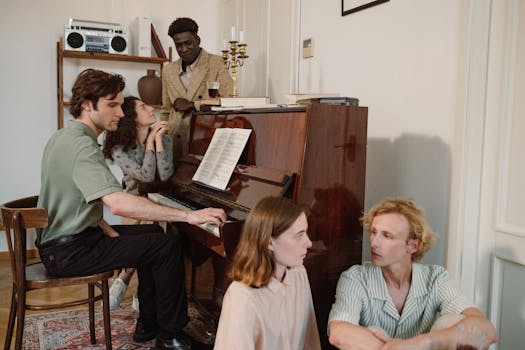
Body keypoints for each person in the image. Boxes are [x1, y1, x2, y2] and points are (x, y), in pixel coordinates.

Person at [37, 69, 226, 350]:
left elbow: (68, 195)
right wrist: (190, 215)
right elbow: (117, 201)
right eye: (112, 104)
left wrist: (102, 225)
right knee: (164, 246)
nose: (120, 112)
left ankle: (148, 326)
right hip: (70, 251)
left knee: (152, 234)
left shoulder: (63, 137)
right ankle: (170, 336)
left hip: (65, 242)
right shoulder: (82, 146)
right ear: (88, 105)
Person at [328, 198, 498, 350]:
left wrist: (425, 343)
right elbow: (338, 332)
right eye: (373, 232)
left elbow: (487, 331)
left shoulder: (435, 278)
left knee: (453, 323)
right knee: (371, 333)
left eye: (387, 235)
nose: (374, 242)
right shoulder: (355, 277)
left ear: (413, 246)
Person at [214, 196, 321, 350]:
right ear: (270, 242)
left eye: (306, 233)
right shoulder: (242, 297)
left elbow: (310, 342)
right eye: (299, 235)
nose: (309, 243)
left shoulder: (299, 273)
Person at [102, 96, 173, 311]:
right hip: (132, 201)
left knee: (152, 228)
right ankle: (142, 290)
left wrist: (158, 142)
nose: (151, 108)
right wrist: (151, 143)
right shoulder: (118, 149)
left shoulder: (164, 138)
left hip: (160, 198)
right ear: (132, 119)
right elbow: (146, 175)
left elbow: (166, 174)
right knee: (148, 231)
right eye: (143, 107)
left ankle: (125, 279)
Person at [161, 17, 233, 159]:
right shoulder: (168, 70)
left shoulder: (217, 63)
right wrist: (162, 142)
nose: (183, 49)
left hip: (203, 139)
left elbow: (229, 100)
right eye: (178, 45)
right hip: (174, 142)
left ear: (197, 39)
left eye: (188, 43)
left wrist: (194, 105)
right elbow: (166, 110)